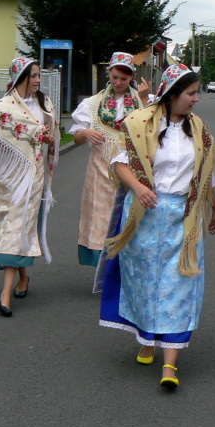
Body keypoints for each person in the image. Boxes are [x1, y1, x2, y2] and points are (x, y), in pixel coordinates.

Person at [96, 64, 215, 390]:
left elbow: (205, 173)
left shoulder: (199, 129)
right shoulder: (140, 123)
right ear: (173, 94)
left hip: (183, 217)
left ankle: (170, 363)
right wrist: (138, 188)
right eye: (191, 93)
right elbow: (119, 163)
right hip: (145, 216)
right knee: (145, 283)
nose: (196, 99)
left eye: (196, 93)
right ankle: (147, 339)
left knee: (178, 285)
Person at [0, 57, 60, 317]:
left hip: (32, 175)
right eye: (33, 75)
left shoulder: (45, 103)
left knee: (18, 228)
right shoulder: (4, 105)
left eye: (39, 75)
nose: (38, 80)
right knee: (12, 229)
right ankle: (23, 277)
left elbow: (53, 135)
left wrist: (48, 139)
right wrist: (32, 135)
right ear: (21, 77)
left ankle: (4, 294)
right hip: (7, 177)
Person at [69, 52, 150, 266]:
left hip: (132, 173)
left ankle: (126, 268)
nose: (118, 82)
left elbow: (152, 130)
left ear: (132, 77)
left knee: (128, 217)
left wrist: (144, 100)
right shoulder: (93, 103)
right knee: (100, 218)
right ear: (109, 73)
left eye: (124, 78)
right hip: (100, 171)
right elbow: (76, 139)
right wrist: (85, 132)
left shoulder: (143, 101)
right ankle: (103, 270)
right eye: (115, 77)